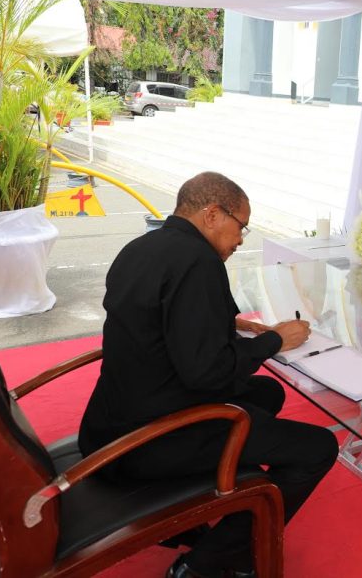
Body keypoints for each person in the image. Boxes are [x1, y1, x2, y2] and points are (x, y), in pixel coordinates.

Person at [78, 172, 338, 578]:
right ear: (212, 214)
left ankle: (205, 503)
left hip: (107, 426)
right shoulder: (199, 262)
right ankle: (209, 562)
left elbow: (160, 322)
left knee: (266, 393)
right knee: (318, 447)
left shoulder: (142, 247)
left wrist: (232, 325)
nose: (241, 240)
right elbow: (208, 373)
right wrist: (276, 341)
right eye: (241, 226)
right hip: (151, 440)